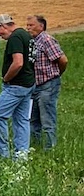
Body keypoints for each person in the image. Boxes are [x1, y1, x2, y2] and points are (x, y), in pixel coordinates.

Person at [0, 14, 35, 160]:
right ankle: (21, 157)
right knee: (22, 120)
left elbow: (18, 62)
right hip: (28, 84)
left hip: (16, 86)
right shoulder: (25, 35)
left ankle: (3, 155)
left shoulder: (15, 37)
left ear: (3, 26)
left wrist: (6, 78)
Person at [26, 14, 67, 150]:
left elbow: (63, 60)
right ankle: (35, 147)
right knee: (33, 120)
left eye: (31, 25)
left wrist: (56, 74)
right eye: (27, 25)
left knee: (47, 119)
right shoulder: (32, 41)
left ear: (41, 26)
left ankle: (50, 148)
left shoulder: (47, 40)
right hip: (35, 85)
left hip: (48, 85)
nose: (28, 28)